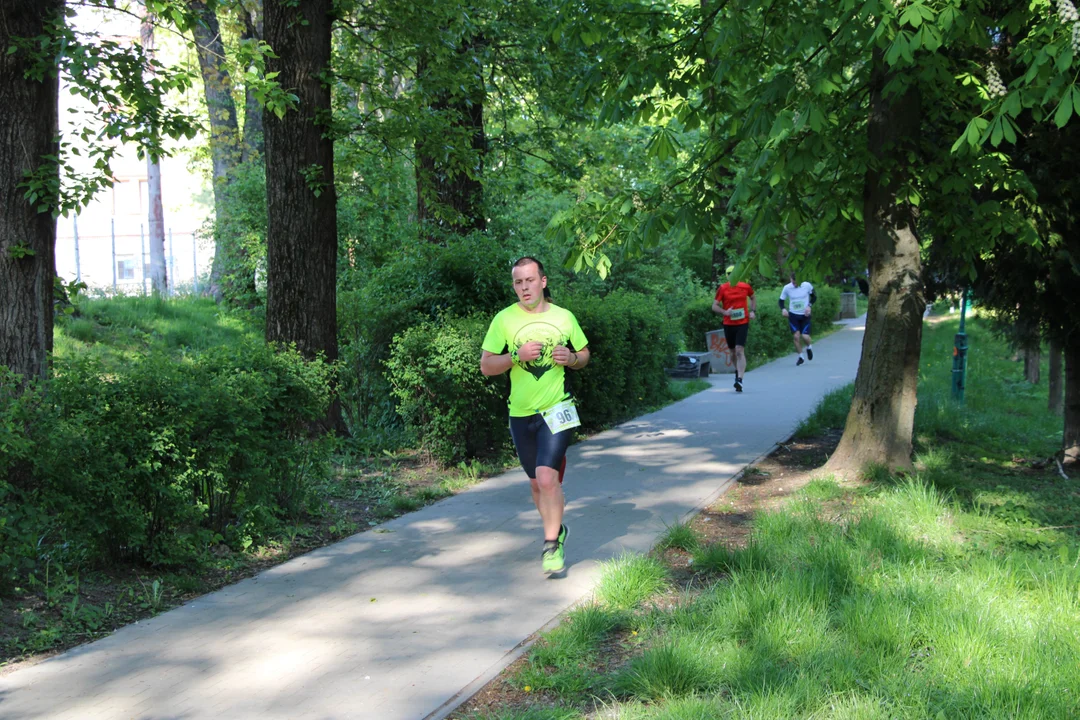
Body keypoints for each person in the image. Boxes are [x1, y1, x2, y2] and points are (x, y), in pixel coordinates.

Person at [480, 257, 590, 575]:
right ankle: (557, 528)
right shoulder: (503, 320)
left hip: (557, 408)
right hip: (520, 412)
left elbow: (584, 354)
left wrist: (571, 357)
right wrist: (515, 356)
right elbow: (487, 366)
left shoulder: (564, 317)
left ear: (542, 281)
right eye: (518, 282)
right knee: (535, 483)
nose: (524, 287)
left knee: (547, 478)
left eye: (530, 280)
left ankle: (551, 544)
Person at [712, 268, 755, 392]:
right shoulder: (723, 288)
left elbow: (753, 297)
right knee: (732, 353)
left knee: (739, 350)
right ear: (726, 276)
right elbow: (714, 306)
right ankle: (737, 372)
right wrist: (725, 312)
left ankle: (740, 380)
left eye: (734, 274)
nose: (732, 276)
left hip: (743, 322)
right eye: (729, 274)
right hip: (729, 324)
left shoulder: (745, 286)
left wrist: (753, 311)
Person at [780, 272, 816, 365]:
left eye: (797, 283)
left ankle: (809, 347)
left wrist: (809, 306)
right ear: (790, 279)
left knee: (805, 336)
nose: (795, 285)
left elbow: (814, 297)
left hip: (805, 315)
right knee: (796, 336)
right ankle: (801, 356)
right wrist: (783, 309)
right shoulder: (787, 288)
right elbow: (781, 300)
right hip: (793, 315)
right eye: (793, 282)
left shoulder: (807, 285)